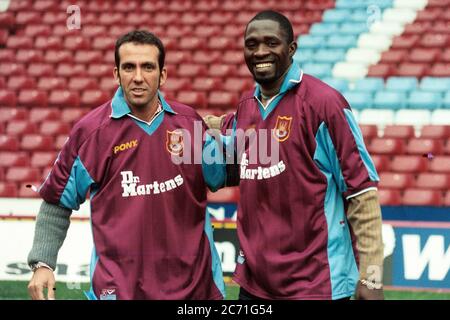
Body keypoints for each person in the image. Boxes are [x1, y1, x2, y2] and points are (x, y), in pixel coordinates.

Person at [27, 30, 226, 300]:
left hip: (194, 292)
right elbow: (56, 201)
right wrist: (43, 263)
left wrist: (235, 136)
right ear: (116, 74)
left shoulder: (190, 124)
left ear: (163, 75)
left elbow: (229, 173)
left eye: (148, 67)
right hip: (120, 291)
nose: (138, 77)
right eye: (129, 67)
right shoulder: (91, 134)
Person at [205, 10, 384, 300]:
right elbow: (225, 151)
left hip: (316, 285)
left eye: (271, 42)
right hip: (255, 286)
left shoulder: (324, 105)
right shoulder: (246, 109)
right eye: (251, 44)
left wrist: (373, 277)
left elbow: (361, 193)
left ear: (291, 49)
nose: (260, 51)